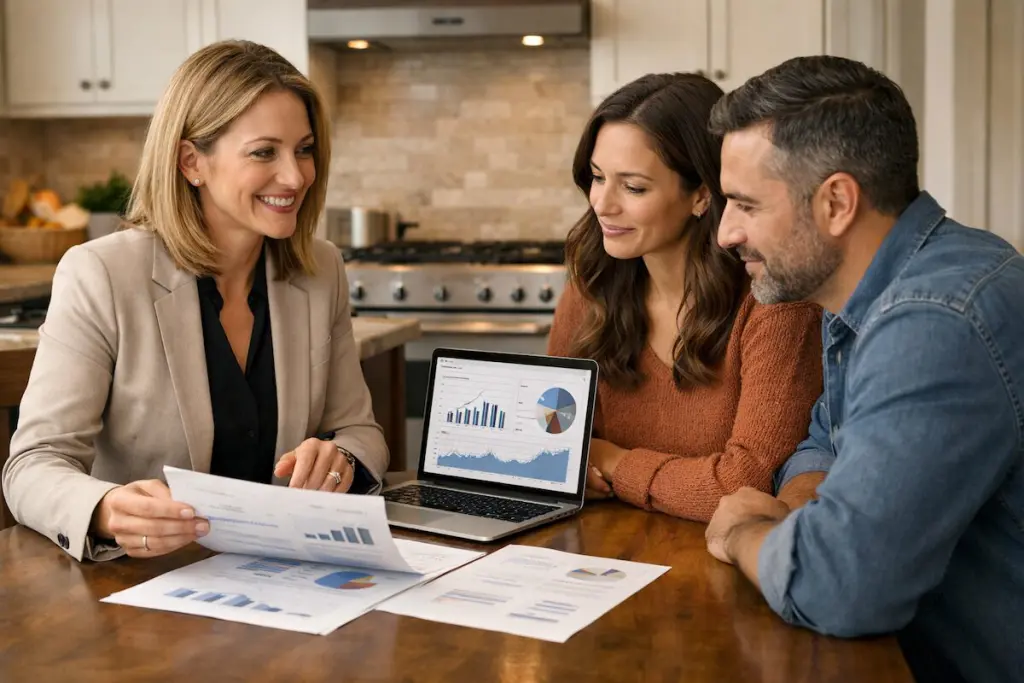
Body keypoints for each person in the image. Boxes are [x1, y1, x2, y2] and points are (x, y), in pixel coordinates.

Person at [1, 40, 389, 562]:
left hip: (289, 577)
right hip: (145, 587)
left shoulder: (321, 271)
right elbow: (33, 465)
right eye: (263, 152)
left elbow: (361, 430)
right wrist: (106, 508)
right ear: (191, 162)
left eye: (304, 149)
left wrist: (340, 458)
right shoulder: (102, 274)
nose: (296, 177)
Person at [705, 55, 1024, 683]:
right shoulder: (867, 285)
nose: (725, 233)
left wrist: (745, 532)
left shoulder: (932, 323)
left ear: (836, 203)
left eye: (745, 204)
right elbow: (826, 433)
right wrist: (800, 509)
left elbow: (839, 585)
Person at [546, 72, 823, 522]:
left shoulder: (774, 304)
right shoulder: (590, 290)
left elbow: (745, 487)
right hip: (599, 555)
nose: (602, 203)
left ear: (700, 194)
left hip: (721, 564)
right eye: (597, 178)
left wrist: (615, 464)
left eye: (633, 187)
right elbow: (556, 447)